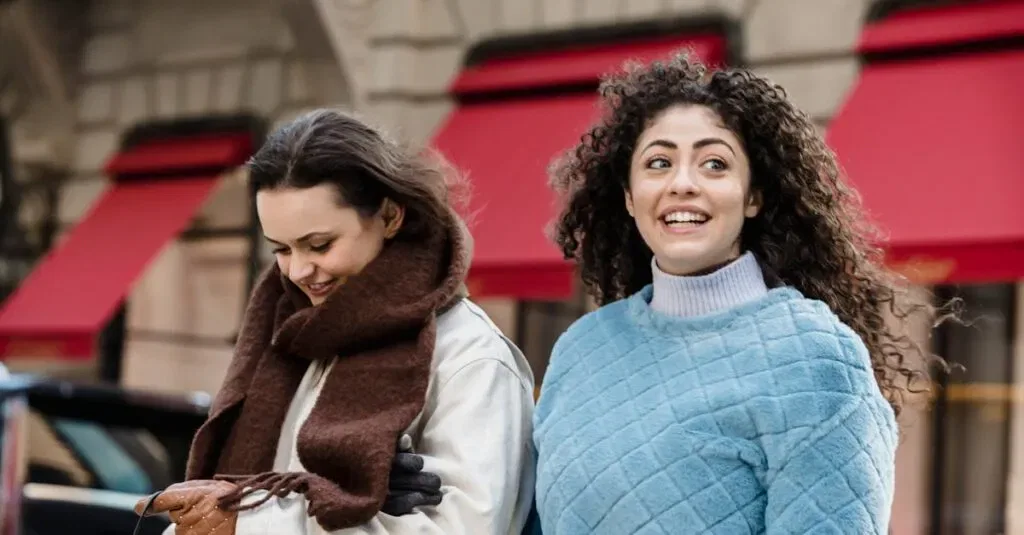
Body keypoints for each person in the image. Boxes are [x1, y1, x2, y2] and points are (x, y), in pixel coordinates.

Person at [531, 52, 947, 534]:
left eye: (714, 164)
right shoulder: (582, 349)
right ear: (628, 196)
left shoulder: (817, 361)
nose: (682, 184)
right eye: (659, 162)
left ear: (753, 196)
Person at [134, 109, 536, 534]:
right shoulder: (291, 337)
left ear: (389, 216)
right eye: (282, 250)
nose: (298, 271)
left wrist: (249, 525)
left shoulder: (470, 359)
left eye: (319, 245)